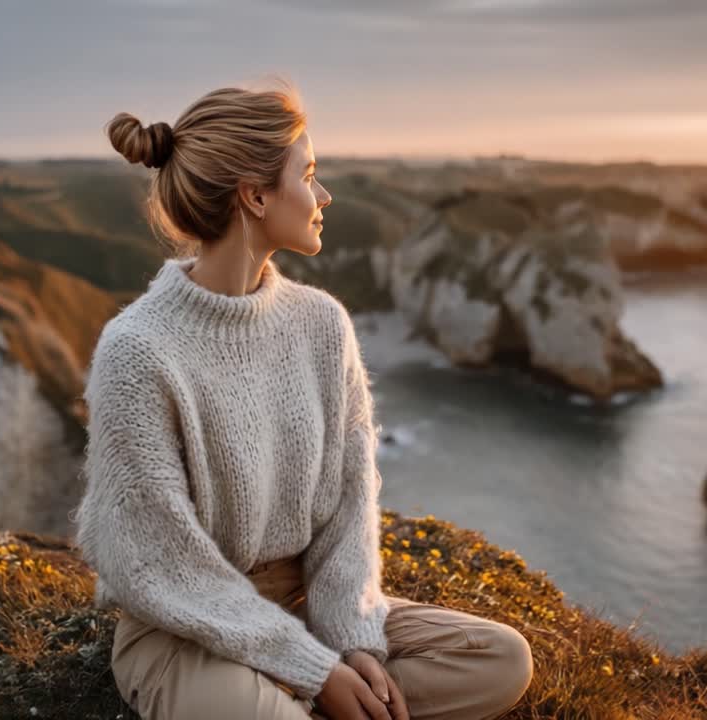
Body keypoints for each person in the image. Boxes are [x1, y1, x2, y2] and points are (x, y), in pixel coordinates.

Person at [69, 78, 534, 720]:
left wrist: (353, 641)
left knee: (501, 658)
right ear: (255, 195)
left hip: (305, 604)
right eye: (308, 174)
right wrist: (316, 671)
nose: (324, 195)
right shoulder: (138, 349)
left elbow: (350, 499)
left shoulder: (323, 323)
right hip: (185, 628)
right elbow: (158, 563)